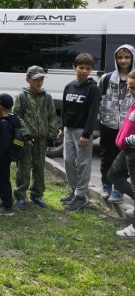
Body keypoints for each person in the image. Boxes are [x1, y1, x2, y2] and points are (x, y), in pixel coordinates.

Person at [59, 53, 101, 212]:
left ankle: (81, 195)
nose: (84, 71)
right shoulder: (69, 86)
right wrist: (62, 127)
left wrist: (86, 134)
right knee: (68, 160)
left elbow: (93, 113)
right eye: (81, 67)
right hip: (68, 130)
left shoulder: (93, 89)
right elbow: (65, 109)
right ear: (74, 67)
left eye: (88, 68)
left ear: (91, 70)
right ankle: (74, 190)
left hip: (82, 131)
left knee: (83, 163)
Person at [12, 66, 58, 210]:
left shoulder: (47, 97)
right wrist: (25, 135)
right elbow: (17, 116)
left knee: (39, 167)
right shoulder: (21, 97)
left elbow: (52, 117)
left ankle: (37, 195)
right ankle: (20, 195)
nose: (39, 82)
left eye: (41, 79)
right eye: (36, 79)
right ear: (28, 80)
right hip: (27, 140)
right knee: (24, 168)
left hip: (41, 140)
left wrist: (52, 135)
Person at [98, 44, 135, 203]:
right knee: (107, 156)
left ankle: (119, 190)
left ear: (132, 58)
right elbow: (98, 98)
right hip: (108, 124)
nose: (123, 60)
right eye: (120, 57)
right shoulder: (106, 78)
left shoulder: (134, 78)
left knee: (124, 160)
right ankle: (106, 185)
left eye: (127, 57)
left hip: (128, 127)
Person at [107, 70, 135, 238]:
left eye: (134, 87)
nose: (131, 91)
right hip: (127, 148)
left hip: (133, 149)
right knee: (113, 175)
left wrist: (130, 139)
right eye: (130, 87)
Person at [0, 93, 20, 216]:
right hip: (5, 157)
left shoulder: (5, 124)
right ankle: (4, 202)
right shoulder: (7, 120)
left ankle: (7, 207)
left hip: (3, 158)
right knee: (2, 179)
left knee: (3, 180)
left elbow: (3, 144)